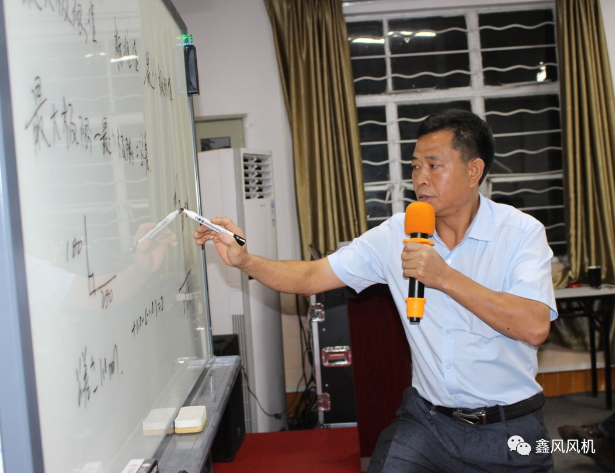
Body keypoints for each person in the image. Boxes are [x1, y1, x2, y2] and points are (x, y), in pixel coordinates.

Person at [193, 109, 558, 472]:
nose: (421, 179)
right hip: (429, 422)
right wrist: (246, 261)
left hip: (508, 425)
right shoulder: (397, 233)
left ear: (474, 170)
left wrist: (444, 277)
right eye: (415, 167)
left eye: (434, 166)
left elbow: (534, 326)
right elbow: (311, 277)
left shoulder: (520, 233)